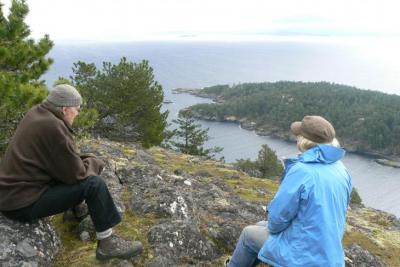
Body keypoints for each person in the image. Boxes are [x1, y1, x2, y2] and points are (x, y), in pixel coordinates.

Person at [0, 84, 143, 261]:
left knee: (75, 167)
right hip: (22, 205)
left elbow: (61, 161)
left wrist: (85, 160)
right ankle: (107, 243)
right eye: (77, 109)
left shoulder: (37, 113)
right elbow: (76, 174)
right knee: (94, 184)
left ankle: (75, 210)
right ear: (65, 109)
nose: (78, 113)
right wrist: (95, 163)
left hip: (11, 196)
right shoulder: (53, 127)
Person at [227, 115, 352, 267]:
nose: (296, 138)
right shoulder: (341, 169)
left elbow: (277, 221)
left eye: (299, 135)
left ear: (305, 141)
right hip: (329, 255)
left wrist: (272, 218)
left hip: (304, 258)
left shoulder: (302, 171)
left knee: (248, 235)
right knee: (261, 224)